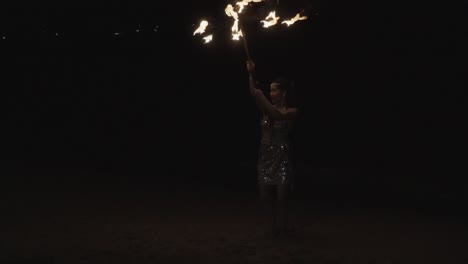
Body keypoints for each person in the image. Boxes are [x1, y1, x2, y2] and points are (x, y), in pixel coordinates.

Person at [246, 59, 299, 239]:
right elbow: (254, 92)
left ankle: (284, 227)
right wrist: (251, 73)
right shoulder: (265, 108)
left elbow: (277, 116)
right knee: (265, 196)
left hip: (281, 155)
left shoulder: (292, 111)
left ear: (283, 92)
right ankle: (271, 229)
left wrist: (261, 98)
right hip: (265, 155)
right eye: (270, 90)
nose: (271, 93)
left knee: (282, 197)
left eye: (274, 90)